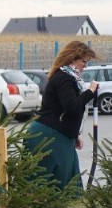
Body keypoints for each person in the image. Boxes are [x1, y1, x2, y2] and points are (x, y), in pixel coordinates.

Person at [26, 41, 99, 192]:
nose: (85, 66)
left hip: (61, 134)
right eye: (84, 61)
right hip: (49, 135)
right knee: (56, 184)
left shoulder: (70, 77)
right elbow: (72, 107)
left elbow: (66, 110)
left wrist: (74, 134)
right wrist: (90, 92)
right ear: (73, 59)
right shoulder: (64, 78)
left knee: (70, 181)